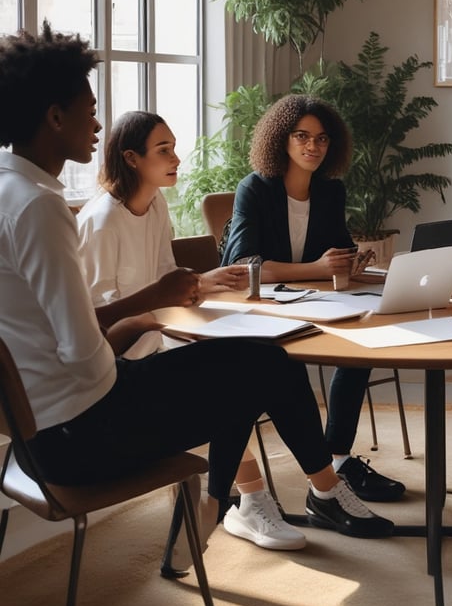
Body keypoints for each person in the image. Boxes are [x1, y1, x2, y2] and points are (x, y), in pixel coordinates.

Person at [0, 24, 394, 577]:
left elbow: (68, 335)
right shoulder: (40, 208)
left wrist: (137, 316)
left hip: (45, 428)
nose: (96, 125)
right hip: (81, 433)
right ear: (53, 116)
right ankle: (300, 494)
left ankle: (228, 506)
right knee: (255, 368)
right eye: (88, 110)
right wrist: (146, 308)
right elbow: (84, 351)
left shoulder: (7, 190)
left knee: (250, 359)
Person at [77, 110, 307, 552]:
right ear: (131, 158)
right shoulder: (102, 222)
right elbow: (102, 319)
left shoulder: (155, 205)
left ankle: (241, 502)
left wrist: (205, 282)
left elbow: (163, 281)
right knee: (238, 381)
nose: (176, 158)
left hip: (155, 345)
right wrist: (173, 305)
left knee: (250, 367)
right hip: (118, 369)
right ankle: (246, 501)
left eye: (173, 147)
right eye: (163, 150)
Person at [221, 93, 406, 503]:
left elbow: (335, 252)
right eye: (302, 136)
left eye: (321, 139)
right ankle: (321, 472)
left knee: (362, 350)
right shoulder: (254, 188)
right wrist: (318, 269)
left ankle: (338, 458)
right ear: (280, 140)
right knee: (287, 369)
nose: (312, 147)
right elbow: (243, 265)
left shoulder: (329, 192)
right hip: (259, 308)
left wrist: (351, 263)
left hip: (312, 302)